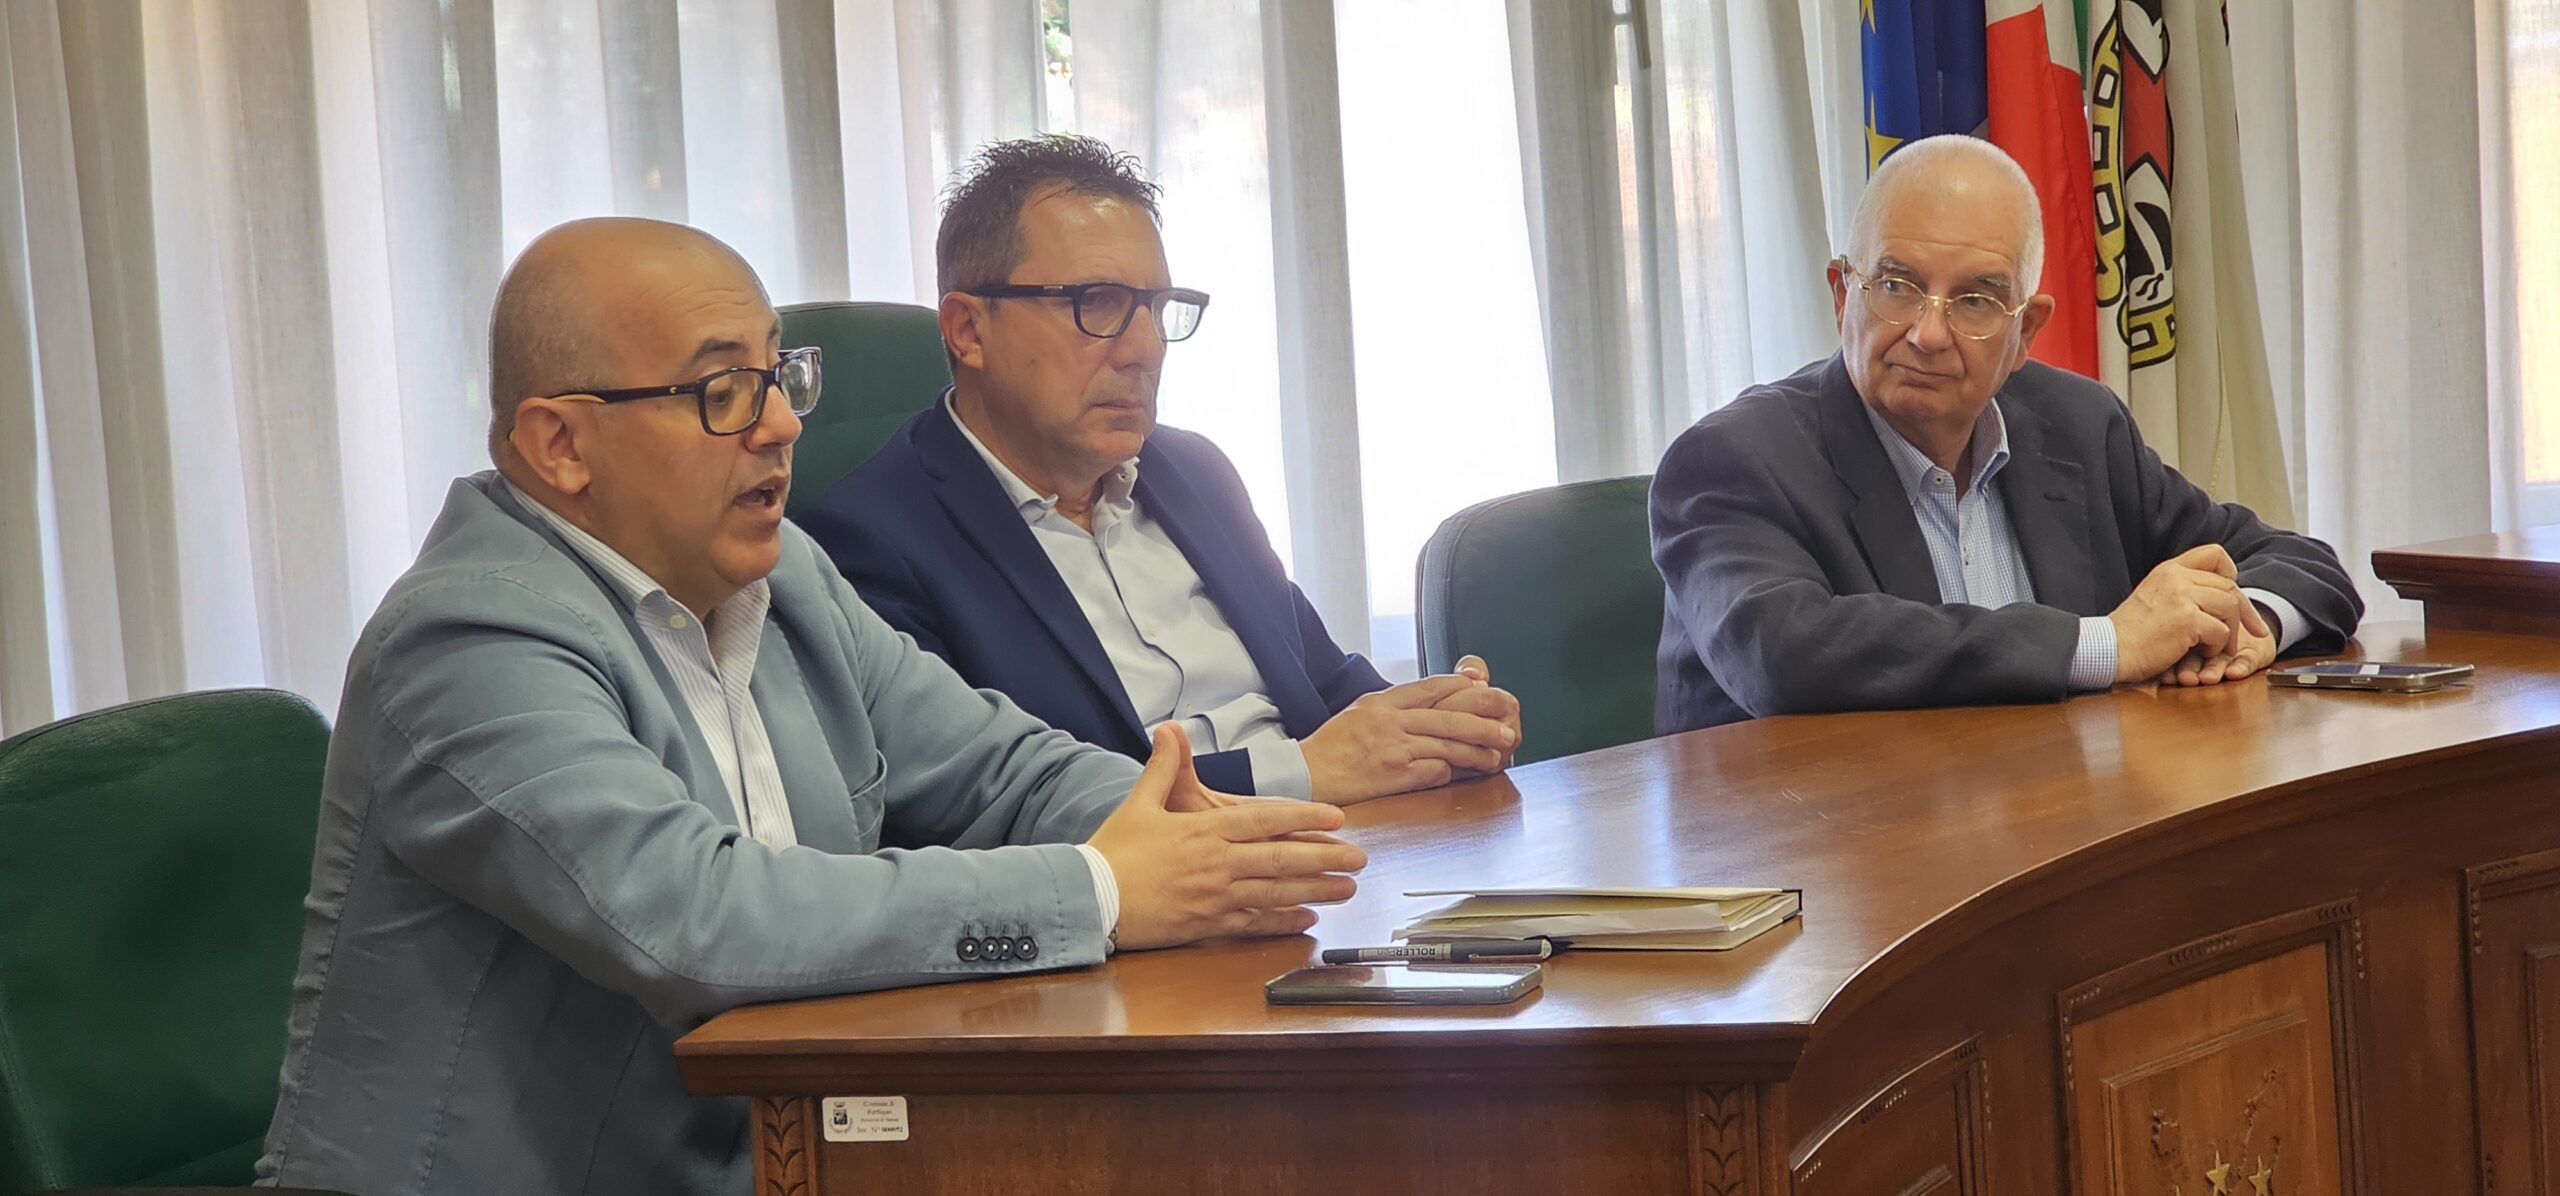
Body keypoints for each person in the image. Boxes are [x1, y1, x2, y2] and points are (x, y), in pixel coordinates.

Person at [256, 216, 1364, 1196]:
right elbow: (701, 917)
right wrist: (1106, 889)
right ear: (561, 445)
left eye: (781, 376)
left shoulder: (786, 576)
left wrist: (1219, 841)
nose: (783, 424)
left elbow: (1001, 769)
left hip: (805, 1155)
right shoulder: (469, 638)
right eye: (722, 391)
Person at [799, 135, 1521, 804]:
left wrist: (1440, 720)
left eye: (1156, 308)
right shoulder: (870, 542)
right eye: (1098, 303)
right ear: (968, 330)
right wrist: (1302, 770)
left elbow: (1325, 687)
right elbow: (991, 804)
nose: (1144, 349)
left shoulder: (1194, 472)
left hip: (1343, 850)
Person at [1650, 134, 2361, 733]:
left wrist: (2240, 625)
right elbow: (1782, 657)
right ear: (1842, 295)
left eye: (1975, 300)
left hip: (2054, 821)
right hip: (1825, 843)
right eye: (1897, 286)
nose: (1928, 334)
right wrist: (2109, 645)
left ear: (2026, 331)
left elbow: (2300, 564)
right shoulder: (1732, 461)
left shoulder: (2078, 427)